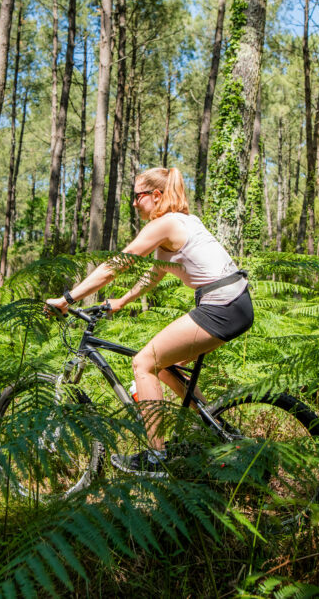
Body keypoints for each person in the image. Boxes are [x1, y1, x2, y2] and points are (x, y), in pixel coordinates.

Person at [44, 167, 253, 475]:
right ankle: (219, 429)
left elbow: (115, 265)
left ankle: (157, 457)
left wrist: (68, 299)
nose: (133, 203)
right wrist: (122, 301)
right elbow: (153, 273)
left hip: (222, 306)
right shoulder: (181, 222)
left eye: (137, 196)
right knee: (164, 366)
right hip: (233, 303)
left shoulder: (165, 224)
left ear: (156, 196)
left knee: (144, 363)